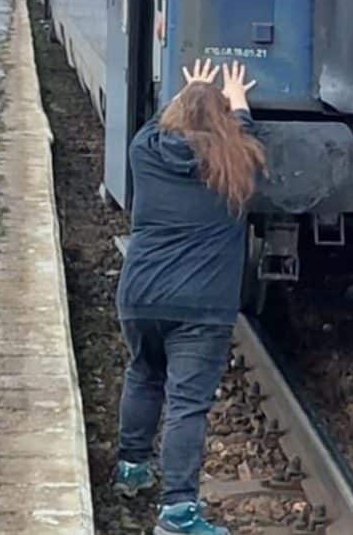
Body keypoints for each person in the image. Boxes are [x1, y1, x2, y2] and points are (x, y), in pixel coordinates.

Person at [114, 60, 266, 535]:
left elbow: (160, 124)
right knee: (186, 404)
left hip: (140, 295)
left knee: (143, 372)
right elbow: (245, 136)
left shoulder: (144, 151)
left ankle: (132, 470)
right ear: (225, 122)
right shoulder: (238, 164)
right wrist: (237, 100)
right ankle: (178, 514)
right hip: (201, 307)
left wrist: (191, 92)